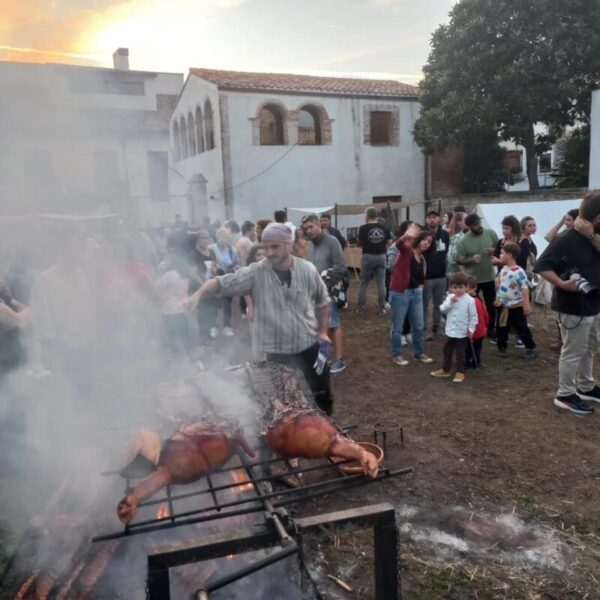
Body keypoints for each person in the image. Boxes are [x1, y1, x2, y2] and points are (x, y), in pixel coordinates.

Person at [186, 223, 334, 414]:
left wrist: (322, 331)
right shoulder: (256, 272)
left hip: (310, 343)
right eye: (266, 247)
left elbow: (323, 301)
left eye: (275, 246)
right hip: (277, 350)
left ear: (289, 244)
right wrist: (197, 295)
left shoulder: (308, 269)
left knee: (323, 388)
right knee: (281, 401)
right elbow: (221, 282)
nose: (269, 252)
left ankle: (328, 422)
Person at [534, 191, 600, 415]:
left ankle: (586, 386)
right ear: (598, 218)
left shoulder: (593, 236)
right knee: (573, 351)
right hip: (573, 307)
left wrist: (591, 235)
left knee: (589, 348)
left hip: (593, 304)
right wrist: (561, 284)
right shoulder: (566, 239)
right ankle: (565, 394)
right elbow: (541, 265)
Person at [302, 214, 348, 374]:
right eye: (306, 228)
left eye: (311, 227)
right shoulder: (312, 245)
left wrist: (324, 284)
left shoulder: (332, 241)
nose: (309, 231)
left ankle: (340, 359)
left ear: (319, 225)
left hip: (329, 293)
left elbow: (341, 267)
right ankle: (322, 359)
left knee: (333, 326)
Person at [388, 224, 434, 366]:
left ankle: (418, 353)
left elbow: (421, 279)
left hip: (416, 294)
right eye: (424, 239)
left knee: (419, 325)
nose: (426, 243)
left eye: (430, 241)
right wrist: (407, 235)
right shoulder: (407, 251)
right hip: (400, 293)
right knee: (398, 326)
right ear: (418, 239)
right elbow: (400, 244)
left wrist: (419, 290)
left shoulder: (423, 260)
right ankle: (397, 355)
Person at [456, 213, 498, 339]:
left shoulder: (490, 233)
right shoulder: (463, 241)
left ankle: (491, 328)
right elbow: (459, 260)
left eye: (479, 223)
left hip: (489, 277)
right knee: (470, 304)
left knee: (491, 304)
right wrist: (471, 259)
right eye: (475, 225)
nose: (478, 226)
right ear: (469, 226)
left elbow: (500, 248)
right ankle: (469, 327)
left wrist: (494, 251)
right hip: (473, 279)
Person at [430, 272, 477, 383]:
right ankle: (446, 370)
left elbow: (473, 317)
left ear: (466, 287)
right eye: (455, 287)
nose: (458, 290)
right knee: (447, 351)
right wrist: (450, 302)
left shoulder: (470, 301)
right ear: (451, 287)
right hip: (450, 331)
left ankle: (460, 372)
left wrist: (471, 330)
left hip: (462, 332)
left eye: (461, 287)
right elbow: (442, 309)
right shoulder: (450, 297)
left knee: (460, 354)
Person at [494, 243, 537, 358]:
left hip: (516, 305)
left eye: (502, 253)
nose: (500, 255)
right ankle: (502, 347)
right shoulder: (503, 268)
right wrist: (497, 282)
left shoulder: (519, 272)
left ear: (509, 255)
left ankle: (530, 347)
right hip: (503, 304)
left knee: (521, 327)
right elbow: (501, 281)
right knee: (502, 326)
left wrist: (526, 305)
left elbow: (524, 288)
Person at [155, 253, 192, 362]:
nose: (164, 262)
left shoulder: (169, 275)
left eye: (166, 259)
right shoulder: (184, 274)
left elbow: (157, 288)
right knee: (184, 334)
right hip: (182, 308)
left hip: (169, 309)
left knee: (171, 335)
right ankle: (188, 355)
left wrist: (160, 274)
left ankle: (176, 357)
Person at [356, 207, 392, 315]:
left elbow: (359, 242)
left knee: (363, 283)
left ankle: (360, 308)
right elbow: (390, 242)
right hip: (381, 256)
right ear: (377, 215)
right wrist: (382, 247)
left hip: (367, 256)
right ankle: (382, 308)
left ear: (366, 215)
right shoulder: (384, 228)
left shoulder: (362, 228)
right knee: (381, 283)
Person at [422, 210, 450, 340]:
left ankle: (436, 326)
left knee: (439, 303)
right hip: (426, 276)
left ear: (439, 219)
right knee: (424, 304)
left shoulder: (445, 234)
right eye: (429, 218)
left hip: (441, 275)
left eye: (434, 217)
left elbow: (446, 252)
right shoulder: (423, 234)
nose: (431, 220)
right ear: (426, 220)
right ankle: (423, 328)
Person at [188, 230, 218, 344]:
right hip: (199, 288)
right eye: (202, 238)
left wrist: (215, 272)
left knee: (212, 311)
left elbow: (214, 266)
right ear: (197, 240)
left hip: (210, 287)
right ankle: (204, 337)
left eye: (207, 238)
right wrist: (203, 285)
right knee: (203, 312)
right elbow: (192, 274)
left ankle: (209, 333)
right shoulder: (193, 254)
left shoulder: (211, 252)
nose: (205, 240)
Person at [208, 228, 240, 337]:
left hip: (227, 280)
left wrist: (234, 269)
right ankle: (214, 327)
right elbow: (208, 263)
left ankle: (227, 326)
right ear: (217, 237)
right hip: (213, 280)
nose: (223, 239)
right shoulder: (211, 248)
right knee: (214, 304)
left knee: (227, 304)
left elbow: (237, 264)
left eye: (226, 237)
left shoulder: (232, 250)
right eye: (221, 236)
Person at [464, 276, 488, 369]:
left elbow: (483, 314)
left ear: (474, 288)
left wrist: (486, 323)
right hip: (476, 329)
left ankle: (472, 362)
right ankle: (473, 362)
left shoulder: (473, 301)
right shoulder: (478, 299)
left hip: (476, 329)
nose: (467, 291)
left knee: (472, 347)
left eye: (469, 288)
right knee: (473, 347)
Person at [235, 221, 256, 318]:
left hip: (241, 267)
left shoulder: (239, 241)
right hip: (247, 267)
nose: (254, 232)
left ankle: (244, 311)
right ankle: (249, 311)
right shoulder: (247, 242)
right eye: (252, 230)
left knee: (243, 291)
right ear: (248, 230)